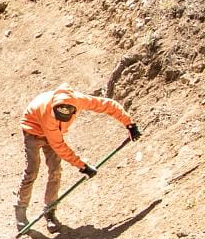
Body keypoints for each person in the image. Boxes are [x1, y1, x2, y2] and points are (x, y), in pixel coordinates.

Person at [17, 86, 139, 229]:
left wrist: (129, 124)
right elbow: (59, 146)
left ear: (74, 108)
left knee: (55, 171)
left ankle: (50, 211)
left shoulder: (78, 100)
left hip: (53, 133)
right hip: (33, 131)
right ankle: (20, 211)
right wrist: (82, 166)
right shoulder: (48, 115)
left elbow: (108, 105)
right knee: (32, 171)